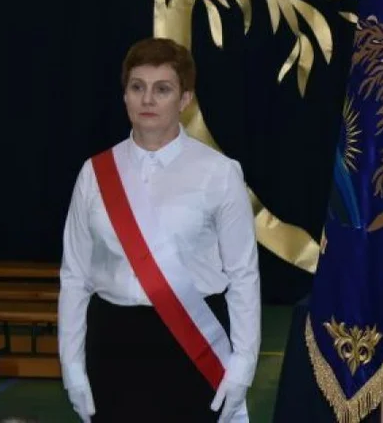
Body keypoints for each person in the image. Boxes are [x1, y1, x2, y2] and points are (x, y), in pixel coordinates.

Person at [58, 37, 261, 423]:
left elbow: (243, 276)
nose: (147, 99)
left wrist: (243, 364)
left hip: (192, 345)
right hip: (112, 344)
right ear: (125, 95)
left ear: (185, 99)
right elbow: (74, 277)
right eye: (137, 87)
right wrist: (71, 366)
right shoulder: (95, 173)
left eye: (162, 89)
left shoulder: (219, 173)